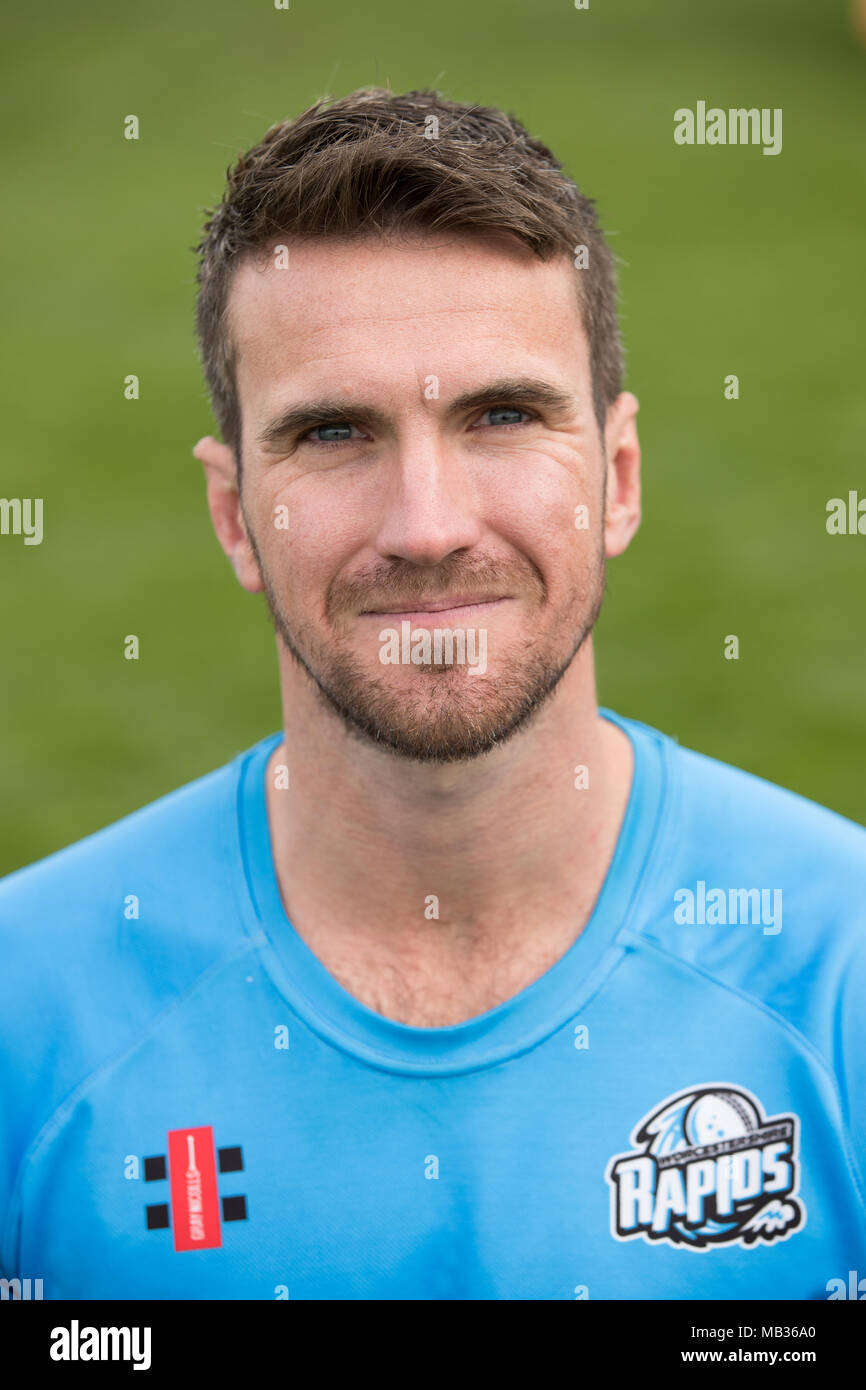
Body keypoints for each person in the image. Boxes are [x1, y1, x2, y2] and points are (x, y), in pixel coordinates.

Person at [0, 88, 863, 1301]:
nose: (427, 527)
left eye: (502, 415)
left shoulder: (840, 973)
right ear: (233, 515)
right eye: (335, 433)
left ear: (615, 478)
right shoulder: (25, 1011)